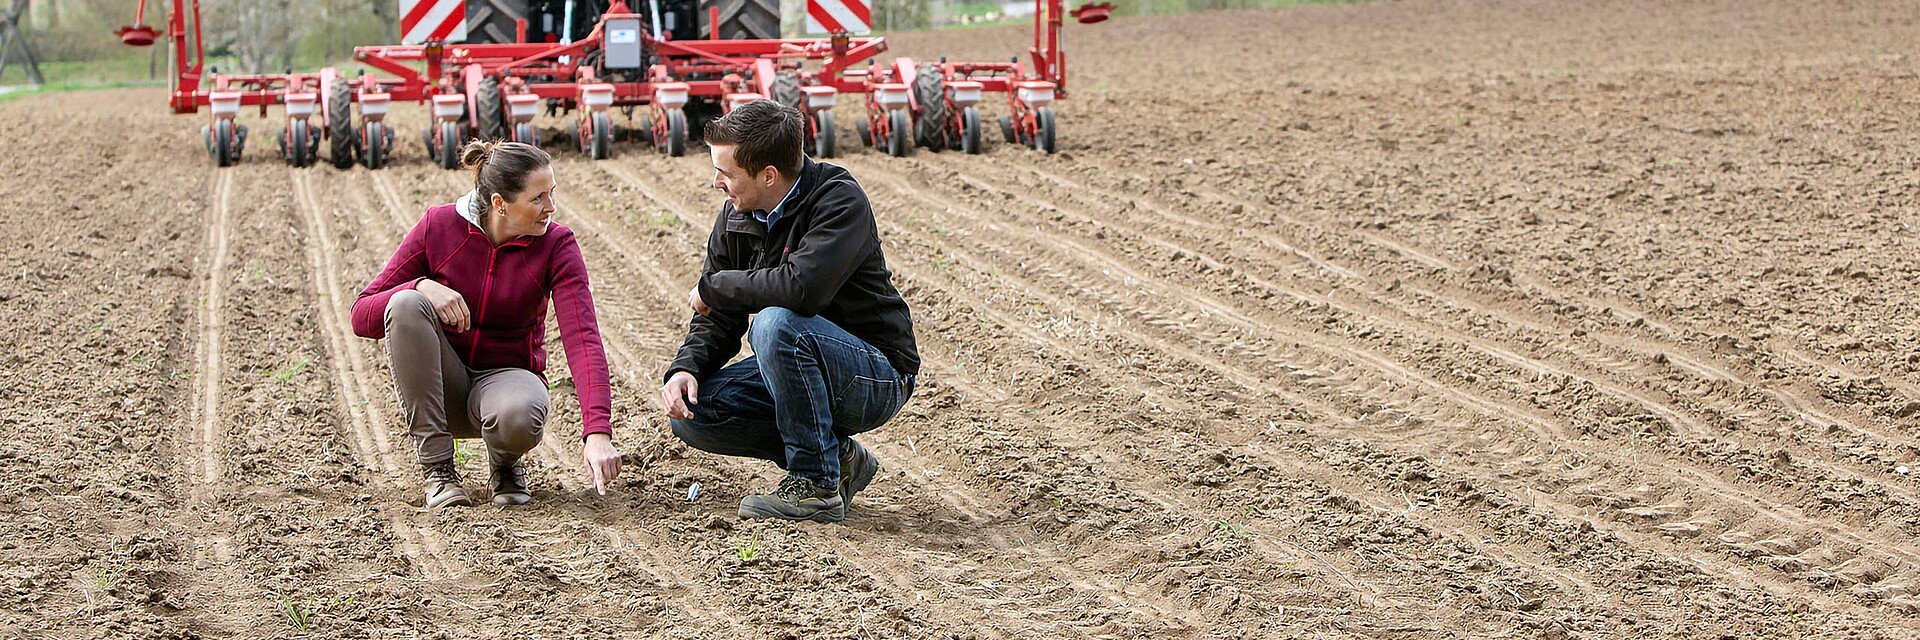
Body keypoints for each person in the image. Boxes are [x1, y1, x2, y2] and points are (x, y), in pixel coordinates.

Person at [660, 100, 920, 523]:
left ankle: (815, 484)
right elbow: (721, 315)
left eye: (726, 173)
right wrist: (686, 367)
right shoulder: (736, 216)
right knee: (695, 412)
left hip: (875, 373)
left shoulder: (837, 199)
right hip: (799, 365)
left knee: (776, 323)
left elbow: (802, 290)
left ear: (768, 175)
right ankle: (840, 460)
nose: (716, 183)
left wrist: (714, 285)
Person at [351, 141, 622, 507]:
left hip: (507, 381)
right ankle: (438, 470)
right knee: (404, 304)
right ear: (499, 204)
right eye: (538, 198)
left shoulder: (557, 244)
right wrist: (423, 286)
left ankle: (506, 464)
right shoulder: (439, 227)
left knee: (519, 416)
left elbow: (583, 338)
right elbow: (361, 314)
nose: (551, 208)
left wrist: (598, 432)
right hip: (442, 386)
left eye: (552, 193)